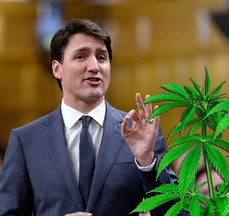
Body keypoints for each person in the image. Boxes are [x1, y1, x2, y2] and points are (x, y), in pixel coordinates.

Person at [0, 19, 179, 215]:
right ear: (57, 68)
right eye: (81, 56)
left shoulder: (141, 132)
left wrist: (147, 161)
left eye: (101, 57)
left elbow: (176, 212)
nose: (94, 66)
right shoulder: (26, 141)